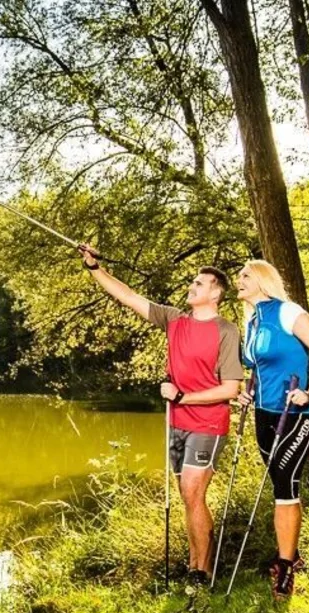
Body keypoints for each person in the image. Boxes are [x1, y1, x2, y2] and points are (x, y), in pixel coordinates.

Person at [77, 244, 243, 586]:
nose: (191, 287)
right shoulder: (173, 319)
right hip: (177, 422)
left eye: (199, 283)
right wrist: (94, 268)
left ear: (215, 292)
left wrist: (183, 395)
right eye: (193, 282)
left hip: (209, 424)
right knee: (187, 496)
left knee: (193, 491)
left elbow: (231, 389)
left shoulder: (226, 331)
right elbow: (127, 296)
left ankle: (203, 571)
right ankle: (194, 563)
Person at [233, 259, 309, 597]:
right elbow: (259, 367)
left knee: (285, 484)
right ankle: (292, 553)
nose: (239, 280)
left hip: (294, 414)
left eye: (246, 275)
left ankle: (286, 567)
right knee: (279, 481)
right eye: (239, 276)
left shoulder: (288, 312)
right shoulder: (250, 321)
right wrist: (248, 391)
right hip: (263, 414)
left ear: (263, 280)